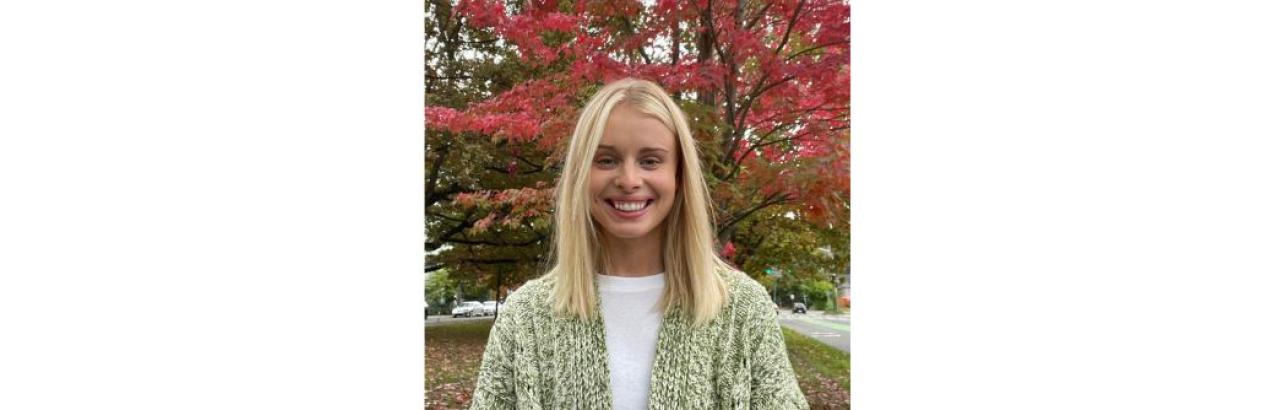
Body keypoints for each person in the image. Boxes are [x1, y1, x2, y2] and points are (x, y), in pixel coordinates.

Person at [469, 78, 807, 409]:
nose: (629, 180)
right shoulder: (524, 317)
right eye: (606, 160)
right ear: (580, 174)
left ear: (678, 176)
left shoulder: (743, 310)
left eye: (650, 160)